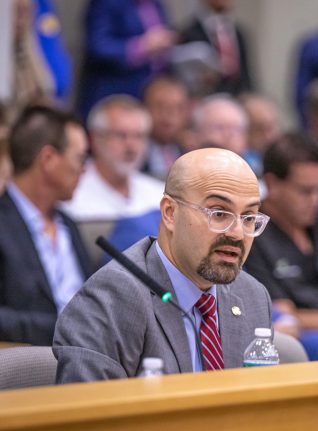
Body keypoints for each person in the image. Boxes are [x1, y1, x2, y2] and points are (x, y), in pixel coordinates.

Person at [54, 148, 273, 382]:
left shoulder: (252, 296)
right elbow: (91, 413)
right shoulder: (113, 296)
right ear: (170, 213)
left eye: (249, 218)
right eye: (219, 213)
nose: (238, 233)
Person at [245, 132, 318, 350]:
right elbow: (284, 318)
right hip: (314, 341)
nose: (316, 200)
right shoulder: (252, 235)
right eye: (305, 191)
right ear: (272, 184)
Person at [0, 105, 92, 345]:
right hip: (27, 367)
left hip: (90, 360)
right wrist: (65, 328)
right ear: (48, 159)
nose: (84, 169)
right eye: (80, 158)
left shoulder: (68, 226)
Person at [62, 95, 165, 222]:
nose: (131, 146)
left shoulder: (159, 196)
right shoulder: (70, 196)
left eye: (139, 136)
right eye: (120, 135)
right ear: (94, 138)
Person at [77, 0, 176, 120]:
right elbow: (98, 46)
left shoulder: (156, 4)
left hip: (151, 93)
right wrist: (142, 46)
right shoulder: (106, 3)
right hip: (115, 93)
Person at [179, 0, 253, 96]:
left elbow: (247, 77)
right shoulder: (188, 34)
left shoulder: (240, 34)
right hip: (207, 99)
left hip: (239, 98)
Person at [141, 73, 190, 180]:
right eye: (160, 106)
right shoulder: (133, 155)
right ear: (144, 108)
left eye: (178, 108)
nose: (168, 114)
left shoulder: (192, 156)